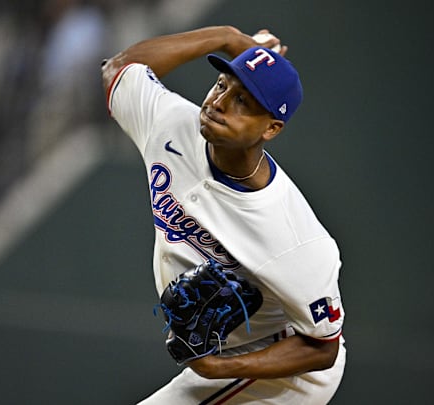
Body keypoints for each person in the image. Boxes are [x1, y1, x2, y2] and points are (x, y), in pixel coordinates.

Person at [101, 25, 346, 404]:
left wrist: (218, 368)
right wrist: (225, 37)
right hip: (232, 355)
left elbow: (322, 348)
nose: (219, 102)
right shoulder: (171, 125)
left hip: (283, 374)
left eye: (243, 101)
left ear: (272, 128)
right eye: (221, 84)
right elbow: (119, 70)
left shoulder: (295, 238)